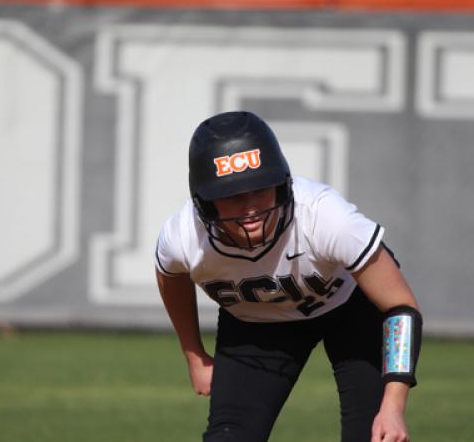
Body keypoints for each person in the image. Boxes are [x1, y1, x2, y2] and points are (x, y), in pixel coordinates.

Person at [155, 111, 422, 442]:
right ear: (205, 203)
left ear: (281, 183)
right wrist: (194, 355)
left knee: (373, 437)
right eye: (232, 195)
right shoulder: (184, 236)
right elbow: (171, 276)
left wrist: (393, 407)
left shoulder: (325, 217)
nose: (250, 207)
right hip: (257, 322)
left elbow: (400, 308)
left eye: (260, 189)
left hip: (352, 309)